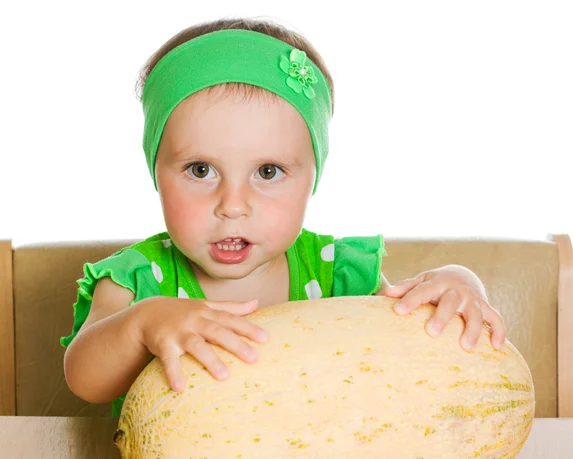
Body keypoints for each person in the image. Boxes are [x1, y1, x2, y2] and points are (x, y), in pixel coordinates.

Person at [61, 17, 506, 418]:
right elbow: (85, 380)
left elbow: (412, 331)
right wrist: (142, 324)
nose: (233, 204)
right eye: (201, 170)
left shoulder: (338, 275)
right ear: (156, 173)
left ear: (312, 179)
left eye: (268, 172)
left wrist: (458, 281)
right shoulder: (136, 282)